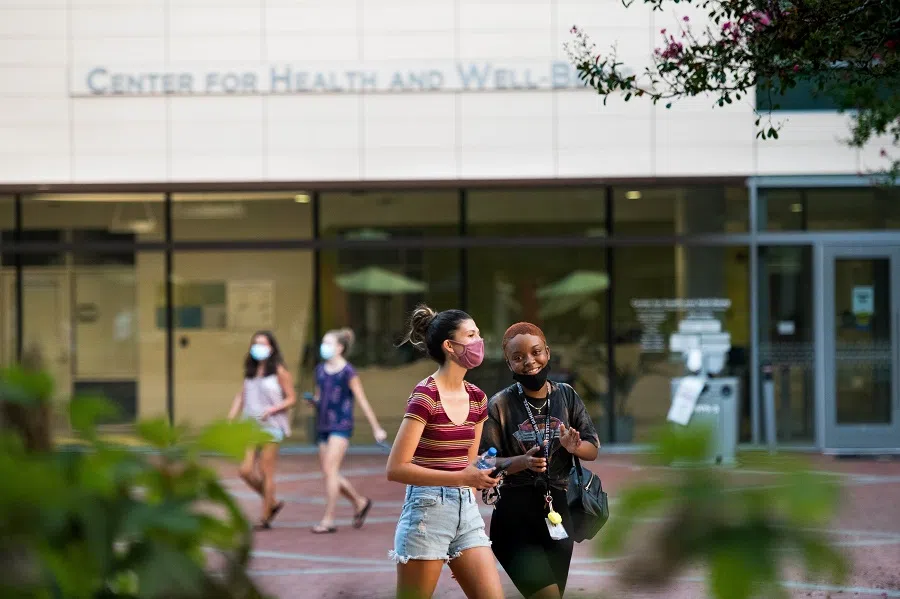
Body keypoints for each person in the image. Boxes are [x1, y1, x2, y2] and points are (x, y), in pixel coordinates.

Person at [385, 305, 505, 599]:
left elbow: (469, 462)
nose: (479, 342)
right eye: (471, 335)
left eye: (478, 334)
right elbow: (396, 468)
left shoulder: (478, 398)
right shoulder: (425, 396)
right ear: (450, 346)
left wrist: (482, 477)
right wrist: (463, 478)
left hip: (467, 513)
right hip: (426, 513)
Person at [480, 322, 600, 599]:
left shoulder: (566, 395)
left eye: (536, 352)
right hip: (515, 516)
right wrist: (520, 462)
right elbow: (482, 463)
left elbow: (592, 448)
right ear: (509, 364)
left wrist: (575, 446)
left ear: (547, 352)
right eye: (518, 357)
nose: (529, 362)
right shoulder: (499, 404)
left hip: (559, 514)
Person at [311, 327, 387, 534]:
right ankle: (360, 502)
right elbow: (320, 397)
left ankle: (329, 519)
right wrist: (314, 402)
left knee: (330, 471)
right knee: (329, 473)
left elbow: (362, 400)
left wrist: (376, 428)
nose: (324, 347)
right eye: (323, 343)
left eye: (328, 343)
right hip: (323, 425)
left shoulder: (348, 371)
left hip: (341, 425)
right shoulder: (319, 370)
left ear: (340, 347)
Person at [228, 330, 296, 529]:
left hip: (271, 426)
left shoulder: (280, 372)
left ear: (272, 348)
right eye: (255, 343)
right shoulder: (250, 371)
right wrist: (231, 418)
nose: (259, 347)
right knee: (245, 470)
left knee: (266, 471)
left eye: (263, 343)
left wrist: (273, 409)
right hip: (250, 425)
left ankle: (265, 517)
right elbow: (241, 396)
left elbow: (291, 398)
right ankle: (272, 502)